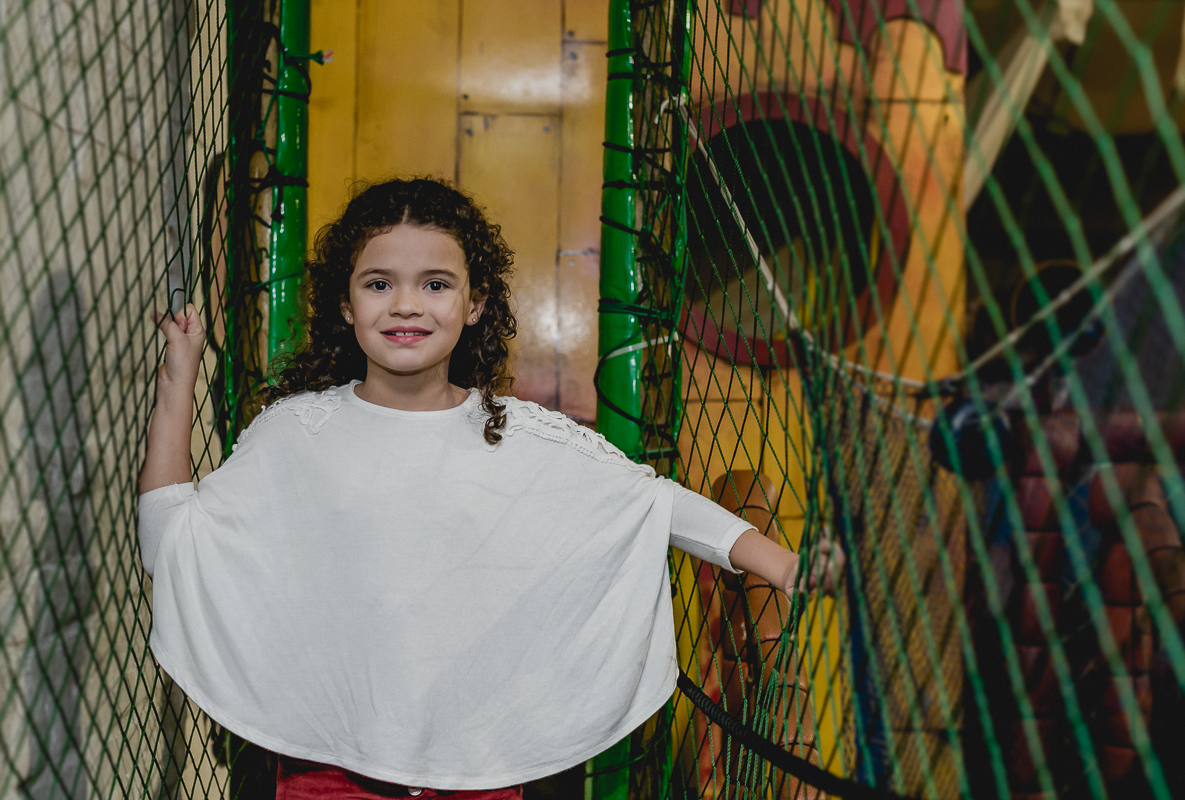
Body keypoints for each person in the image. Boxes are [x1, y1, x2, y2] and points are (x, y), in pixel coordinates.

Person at [138, 178, 838, 800]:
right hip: (330, 765)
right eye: (378, 283)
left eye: (435, 284)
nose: (407, 304)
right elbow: (172, 533)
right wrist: (179, 382)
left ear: (475, 304)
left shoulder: (521, 436)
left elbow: (654, 503)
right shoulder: (296, 432)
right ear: (346, 305)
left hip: (479, 769)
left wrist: (784, 567)